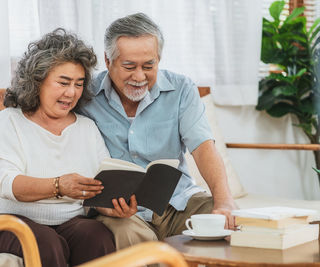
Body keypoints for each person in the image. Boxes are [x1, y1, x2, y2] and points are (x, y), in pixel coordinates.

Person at [78, 13, 238, 249]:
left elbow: (203, 147)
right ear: (108, 61)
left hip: (179, 202)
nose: (139, 77)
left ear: (159, 59)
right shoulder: (86, 95)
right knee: (126, 236)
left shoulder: (181, 89)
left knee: (230, 223)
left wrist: (224, 201)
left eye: (149, 66)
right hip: (121, 212)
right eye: (129, 66)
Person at [0, 28, 115, 267]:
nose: (72, 93)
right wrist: (59, 185)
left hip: (68, 221)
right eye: (63, 82)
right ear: (37, 80)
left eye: (79, 84)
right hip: (2, 220)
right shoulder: (11, 120)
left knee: (97, 235)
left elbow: (101, 185)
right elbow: (6, 183)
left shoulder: (87, 128)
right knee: (44, 242)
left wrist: (112, 208)